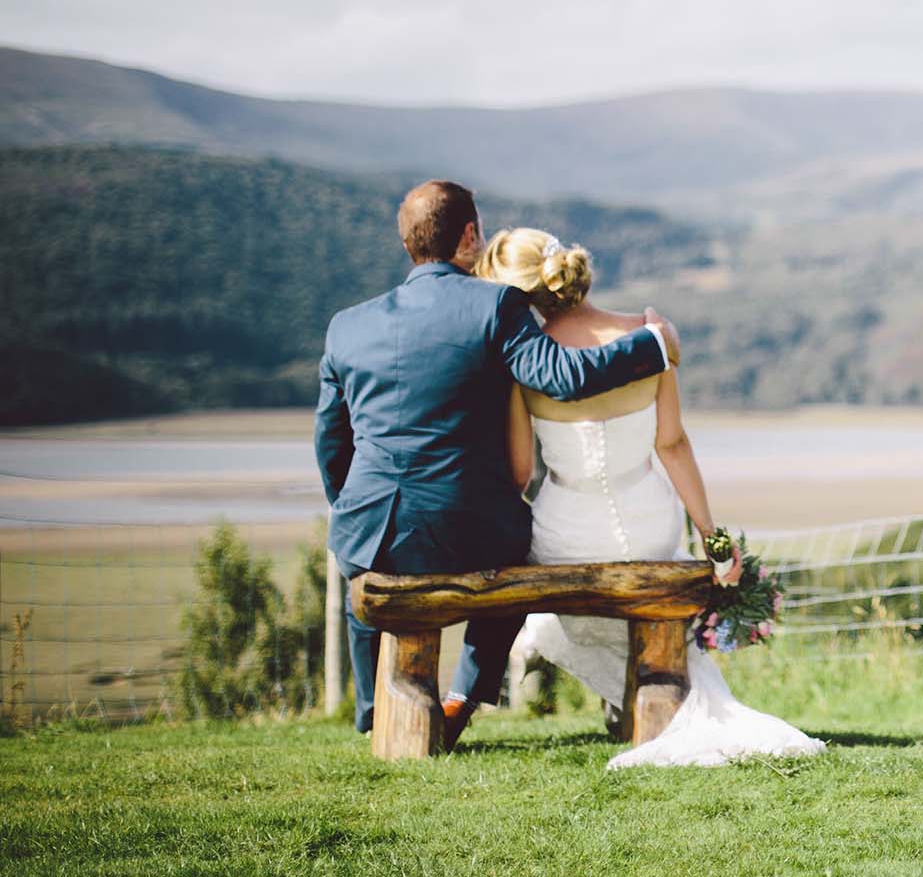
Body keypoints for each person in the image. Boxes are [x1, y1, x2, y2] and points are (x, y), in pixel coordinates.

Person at [315, 181, 680, 746]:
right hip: (471, 530)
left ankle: (371, 715)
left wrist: (350, 509)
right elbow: (564, 377)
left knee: (359, 574)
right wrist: (653, 342)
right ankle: (462, 694)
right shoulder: (496, 305)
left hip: (372, 526)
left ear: (408, 243)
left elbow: (330, 443)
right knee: (517, 547)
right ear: (468, 236)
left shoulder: (347, 326)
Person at [463, 226, 824, 768]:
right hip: (651, 520)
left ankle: (621, 694)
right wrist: (713, 536)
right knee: (651, 583)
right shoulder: (649, 336)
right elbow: (672, 445)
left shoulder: (527, 362)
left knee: (548, 615)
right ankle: (637, 695)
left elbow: (519, 471)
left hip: (567, 531)